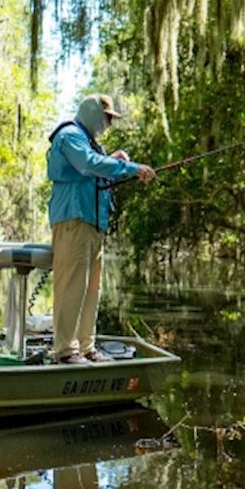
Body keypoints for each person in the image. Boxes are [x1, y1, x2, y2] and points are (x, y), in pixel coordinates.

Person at [47, 94, 155, 365]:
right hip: (74, 221)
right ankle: (65, 351)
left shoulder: (89, 142)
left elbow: (96, 163)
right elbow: (88, 164)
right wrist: (130, 167)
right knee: (72, 286)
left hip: (94, 224)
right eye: (107, 118)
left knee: (91, 289)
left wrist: (114, 159)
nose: (108, 124)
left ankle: (86, 347)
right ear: (94, 112)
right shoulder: (70, 135)